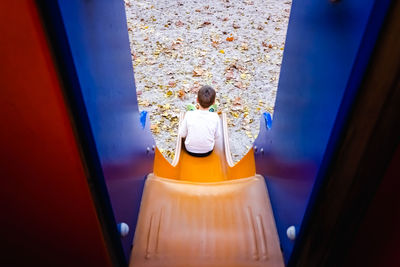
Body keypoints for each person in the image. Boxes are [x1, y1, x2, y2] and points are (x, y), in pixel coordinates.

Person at [179, 85, 221, 157]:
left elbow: (182, 134)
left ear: (197, 100)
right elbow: (217, 136)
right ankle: (210, 111)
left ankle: (194, 110)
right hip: (208, 151)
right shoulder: (215, 117)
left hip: (189, 150)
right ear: (213, 102)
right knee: (211, 116)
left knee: (190, 119)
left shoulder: (189, 115)